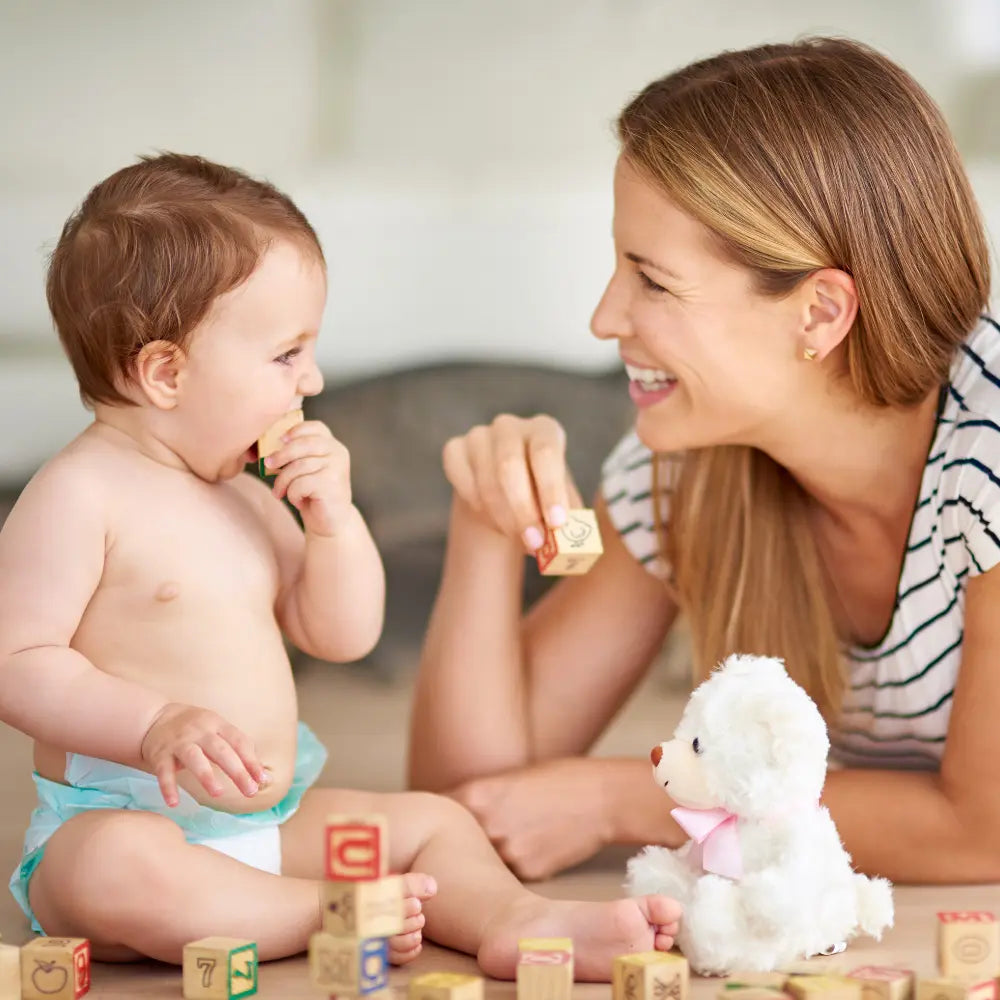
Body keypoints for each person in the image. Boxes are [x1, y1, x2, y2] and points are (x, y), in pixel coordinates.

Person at [0, 153, 682, 975]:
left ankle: (516, 917)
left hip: (270, 833)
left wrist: (334, 525)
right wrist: (152, 725)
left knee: (432, 822)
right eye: (288, 355)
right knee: (110, 868)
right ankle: (320, 912)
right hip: (135, 824)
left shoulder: (250, 493)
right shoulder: (79, 495)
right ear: (165, 372)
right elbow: (17, 661)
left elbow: (340, 633)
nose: (313, 380)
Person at [409, 36, 1000, 886]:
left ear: (819, 313)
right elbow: (468, 806)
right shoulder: (691, 463)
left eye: (652, 280)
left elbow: (981, 831)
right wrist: (483, 525)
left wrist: (629, 799)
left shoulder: (986, 461)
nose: (605, 318)